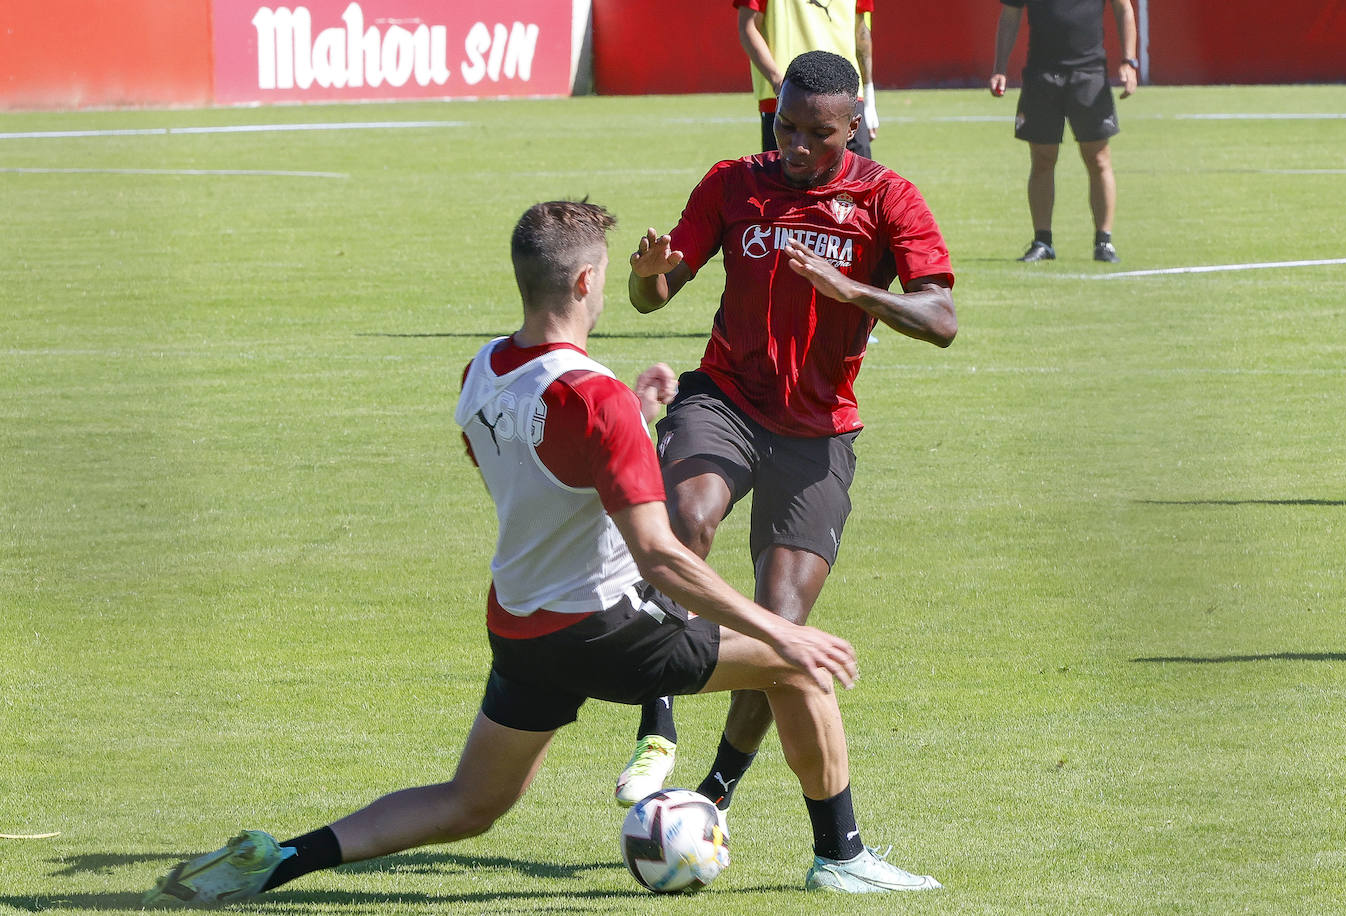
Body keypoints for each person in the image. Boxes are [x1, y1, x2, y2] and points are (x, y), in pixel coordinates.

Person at [141, 200, 942, 906]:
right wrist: (782, 632)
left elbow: (538, 457)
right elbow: (661, 560)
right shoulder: (595, 399)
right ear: (589, 285)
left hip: (520, 627)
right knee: (796, 667)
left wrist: (636, 408)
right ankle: (842, 857)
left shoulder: (482, 371)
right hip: (605, 629)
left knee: (468, 805)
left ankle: (275, 861)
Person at [617, 51, 956, 833]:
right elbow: (653, 295)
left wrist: (854, 290)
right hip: (725, 400)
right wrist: (647, 276)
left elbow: (941, 320)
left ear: (855, 128)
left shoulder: (887, 199)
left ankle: (713, 794)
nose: (796, 146)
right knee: (687, 517)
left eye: (819, 134)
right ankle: (656, 728)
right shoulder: (733, 182)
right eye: (786, 125)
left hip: (818, 433)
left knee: (780, 628)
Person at [990, 0, 1139, 263]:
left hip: (1089, 73)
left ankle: (1104, 242)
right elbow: (1010, 15)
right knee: (1042, 159)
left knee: (1098, 158)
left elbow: (1124, 8)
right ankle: (1042, 241)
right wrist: (1000, 68)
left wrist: (1129, 61)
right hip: (1041, 74)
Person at [735, 0, 879, 158]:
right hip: (788, 98)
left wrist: (869, 97)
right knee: (789, 178)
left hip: (846, 95)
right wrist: (779, 83)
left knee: (858, 178)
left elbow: (861, 32)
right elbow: (748, 26)